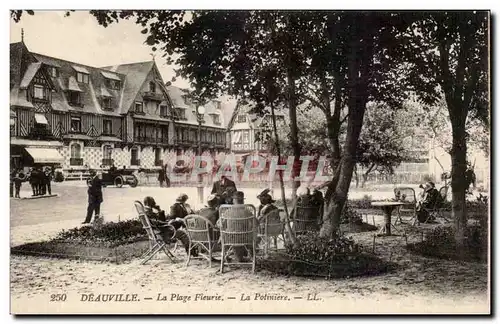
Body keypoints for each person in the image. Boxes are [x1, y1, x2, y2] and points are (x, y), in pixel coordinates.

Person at [219, 191, 255, 262]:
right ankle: (250, 256)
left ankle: (225, 254)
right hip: (244, 239)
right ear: (242, 201)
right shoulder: (247, 211)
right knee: (253, 235)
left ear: (234, 200)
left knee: (222, 234)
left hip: (229, 238)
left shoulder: (227, 211)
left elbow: (220, 224)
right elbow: (256, 223)